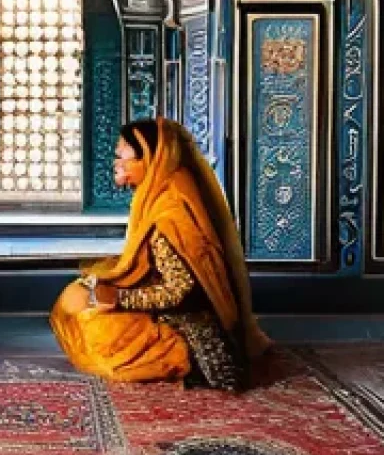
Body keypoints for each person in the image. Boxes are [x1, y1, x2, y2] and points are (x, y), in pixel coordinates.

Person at [50, 117, 270, 390]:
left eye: (122, 157)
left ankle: (179, 357)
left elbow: (179, 290)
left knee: (92, 328)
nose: (116, 163)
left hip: (188, 324)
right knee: (76, 298)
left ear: (149, 159)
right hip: (166, 307)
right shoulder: (159, 192)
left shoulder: (170, 213)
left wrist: (120, 298)